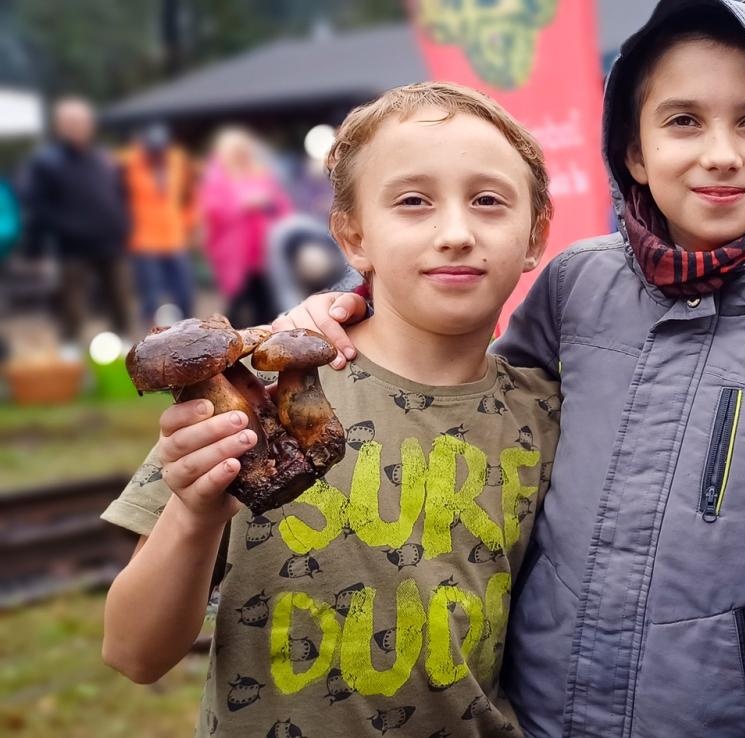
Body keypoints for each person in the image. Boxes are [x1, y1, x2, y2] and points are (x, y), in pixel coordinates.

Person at [278, 2, 745, 735]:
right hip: (541, 712)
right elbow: (473, 400)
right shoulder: (575, 287)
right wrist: (350, 309)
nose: (720, 152)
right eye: (683, 120)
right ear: (634, 151)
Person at [101, 82, 562, 736]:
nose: (456, 233)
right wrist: (195, 515)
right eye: (412, 202)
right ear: (353, 237)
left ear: (536, 235)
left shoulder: (551, 415)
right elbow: (132, 652)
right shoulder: (246, 389)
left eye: (489, 201)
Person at [21, 97, 133, 341]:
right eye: (70, 121)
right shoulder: (47, 162)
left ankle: (127, 352)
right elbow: (37, 206)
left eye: (82, 121)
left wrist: (124, 225)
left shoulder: (103, 158)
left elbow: (120, 193)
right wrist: (36, 249)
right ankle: (70, 354)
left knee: (120, 300)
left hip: (111, 242)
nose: (77, 126)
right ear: (59, 126)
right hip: (72, 248)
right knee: (72, 306)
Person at [198, 127, 290, 329]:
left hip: (264, 250)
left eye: (243, 150)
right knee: (238, 302)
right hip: (234, 253)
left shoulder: (259, 172)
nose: (241, 155)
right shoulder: (217, 177)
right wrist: (243, 206)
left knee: (267, 302)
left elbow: (282, 205)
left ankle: (266, 343)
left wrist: (268, 204)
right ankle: (228, 344)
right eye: (235, 151)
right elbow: (212, 210)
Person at [120, 123, 197, 326]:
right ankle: (152, 337)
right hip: (143, 240)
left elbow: (190, 196)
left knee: (185, 291)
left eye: (161, 150)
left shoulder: (178, 161)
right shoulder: (129, 164)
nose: (157, 155)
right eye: (152, 151)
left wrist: (188, 223)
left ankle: (187, 329)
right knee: (150, 295)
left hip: (174, 237)